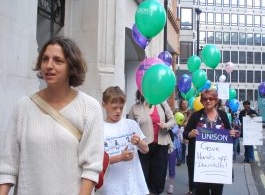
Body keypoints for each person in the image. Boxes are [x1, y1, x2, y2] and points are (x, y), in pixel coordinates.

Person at [0, 37, 104, 195]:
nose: (49, 66)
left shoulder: (89, 108)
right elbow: (8, 165)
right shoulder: (23, 107)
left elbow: (91, 168)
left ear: (71, 66)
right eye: (45, 59)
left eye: (58, 60)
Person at [183, 89, 235, 195]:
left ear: (215, 101)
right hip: (200, 164)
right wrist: (190, 134)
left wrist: (233, 134)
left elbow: (230, 133)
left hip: (218, 164)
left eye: (211, 99)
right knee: (201, 191)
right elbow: (185, 133)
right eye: (205, 99)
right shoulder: (195, 116)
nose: (208, 101)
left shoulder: (223, 115)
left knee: (217, 191)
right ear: (201, 101)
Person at [99, 86, 149, 195]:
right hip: (112, 188)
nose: (118, 111)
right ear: (104, 105)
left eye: (121, 108)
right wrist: (119, 158)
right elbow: (97, 161)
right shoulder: (99, 129)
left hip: (136, 186)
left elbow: (146, 149)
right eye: (114, 107)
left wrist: (139, 142)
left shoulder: (131, 124)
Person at [129, 90, 176, 195]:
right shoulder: (135, 107)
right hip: (142, 147)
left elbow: (173, 120)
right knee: (142, 177)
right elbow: (130, 128)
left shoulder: (162, 103)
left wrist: (166, 125)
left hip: (161, 146)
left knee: (158, 178)